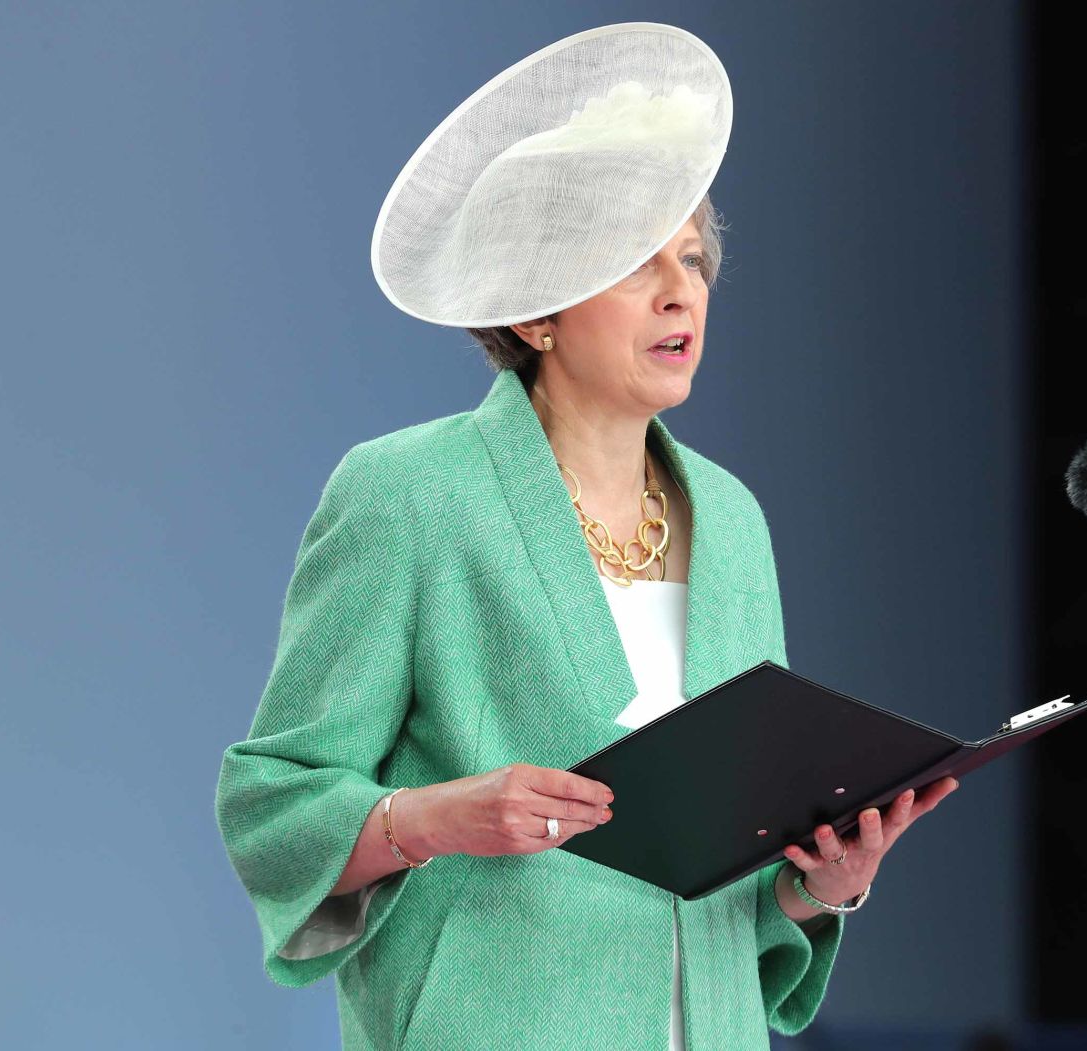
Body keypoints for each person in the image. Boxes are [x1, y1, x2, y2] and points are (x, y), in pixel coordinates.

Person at [215, 23, 959, 1050]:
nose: (679, 291)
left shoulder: (733, 520)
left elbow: (732, 887)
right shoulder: (408, 493)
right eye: (633, 263)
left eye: (692, 260)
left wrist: (821, 888)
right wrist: (429, 817)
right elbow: (273, 800)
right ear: (534, 315)